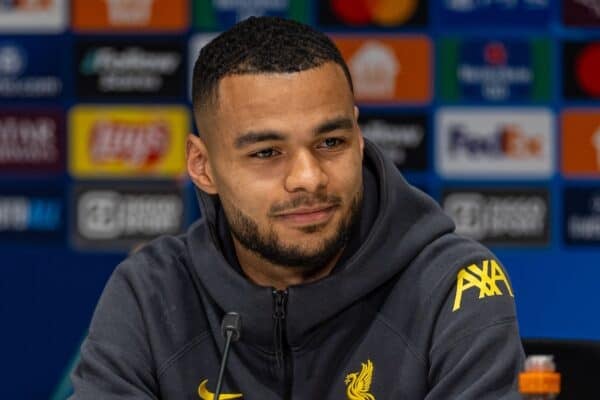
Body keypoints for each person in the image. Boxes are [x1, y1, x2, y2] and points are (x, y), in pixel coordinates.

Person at [70, 16, 525, 399]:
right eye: (267, 152)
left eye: (331, 142)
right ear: (202, 165)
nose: (308, 177)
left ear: (359, 136)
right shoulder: (152, 295)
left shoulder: (454, 286)